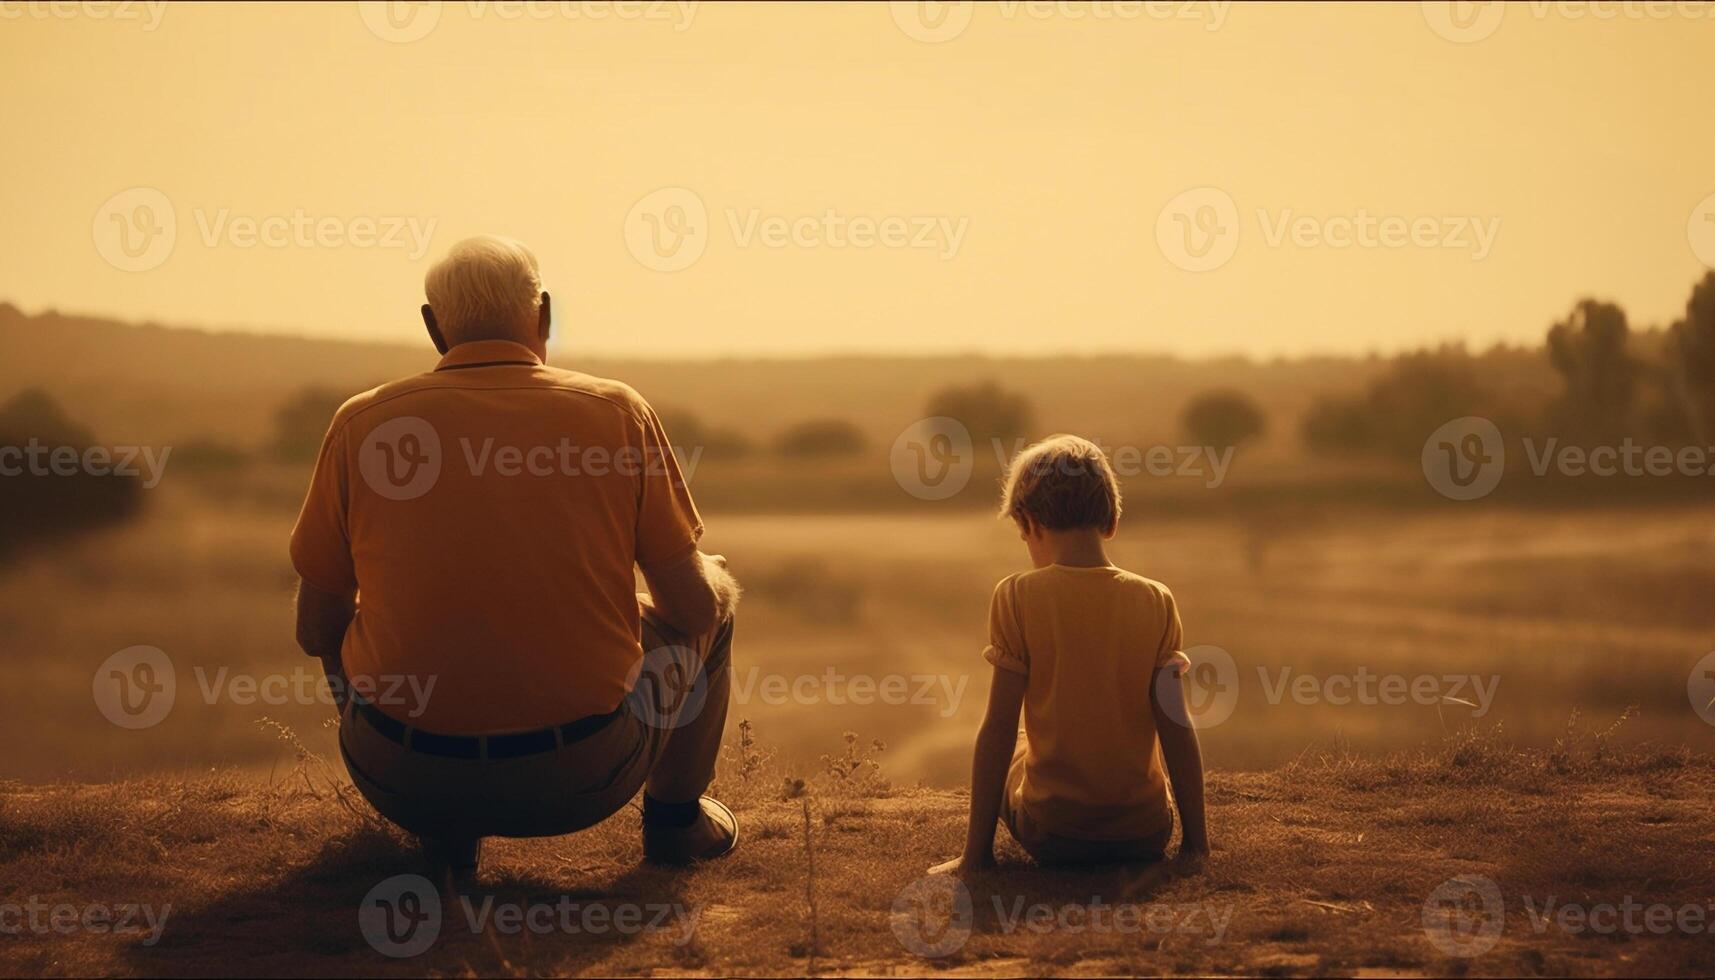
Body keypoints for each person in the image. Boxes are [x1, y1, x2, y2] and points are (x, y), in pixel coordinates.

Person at [289, 235, 742, 880]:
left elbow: (314, 631)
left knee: (348, 622)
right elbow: (691, 606)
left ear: (432, 325)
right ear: (545, 315)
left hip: (397, 779)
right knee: (715, 598)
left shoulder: (361, 423)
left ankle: (443, 835)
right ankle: (676, 824)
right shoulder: (616, 412)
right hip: (581, 778)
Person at [932, 434, 1209, 873]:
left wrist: (976, 856)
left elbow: (999, 726)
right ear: (1112, 521)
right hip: (1145, 834)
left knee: (1018, 746)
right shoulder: (1156, 599)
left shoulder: (1017, 595)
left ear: (1029, 524)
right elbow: (1176, 726)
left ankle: (976, 854)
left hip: (1055, 833)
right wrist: (1195, 847)